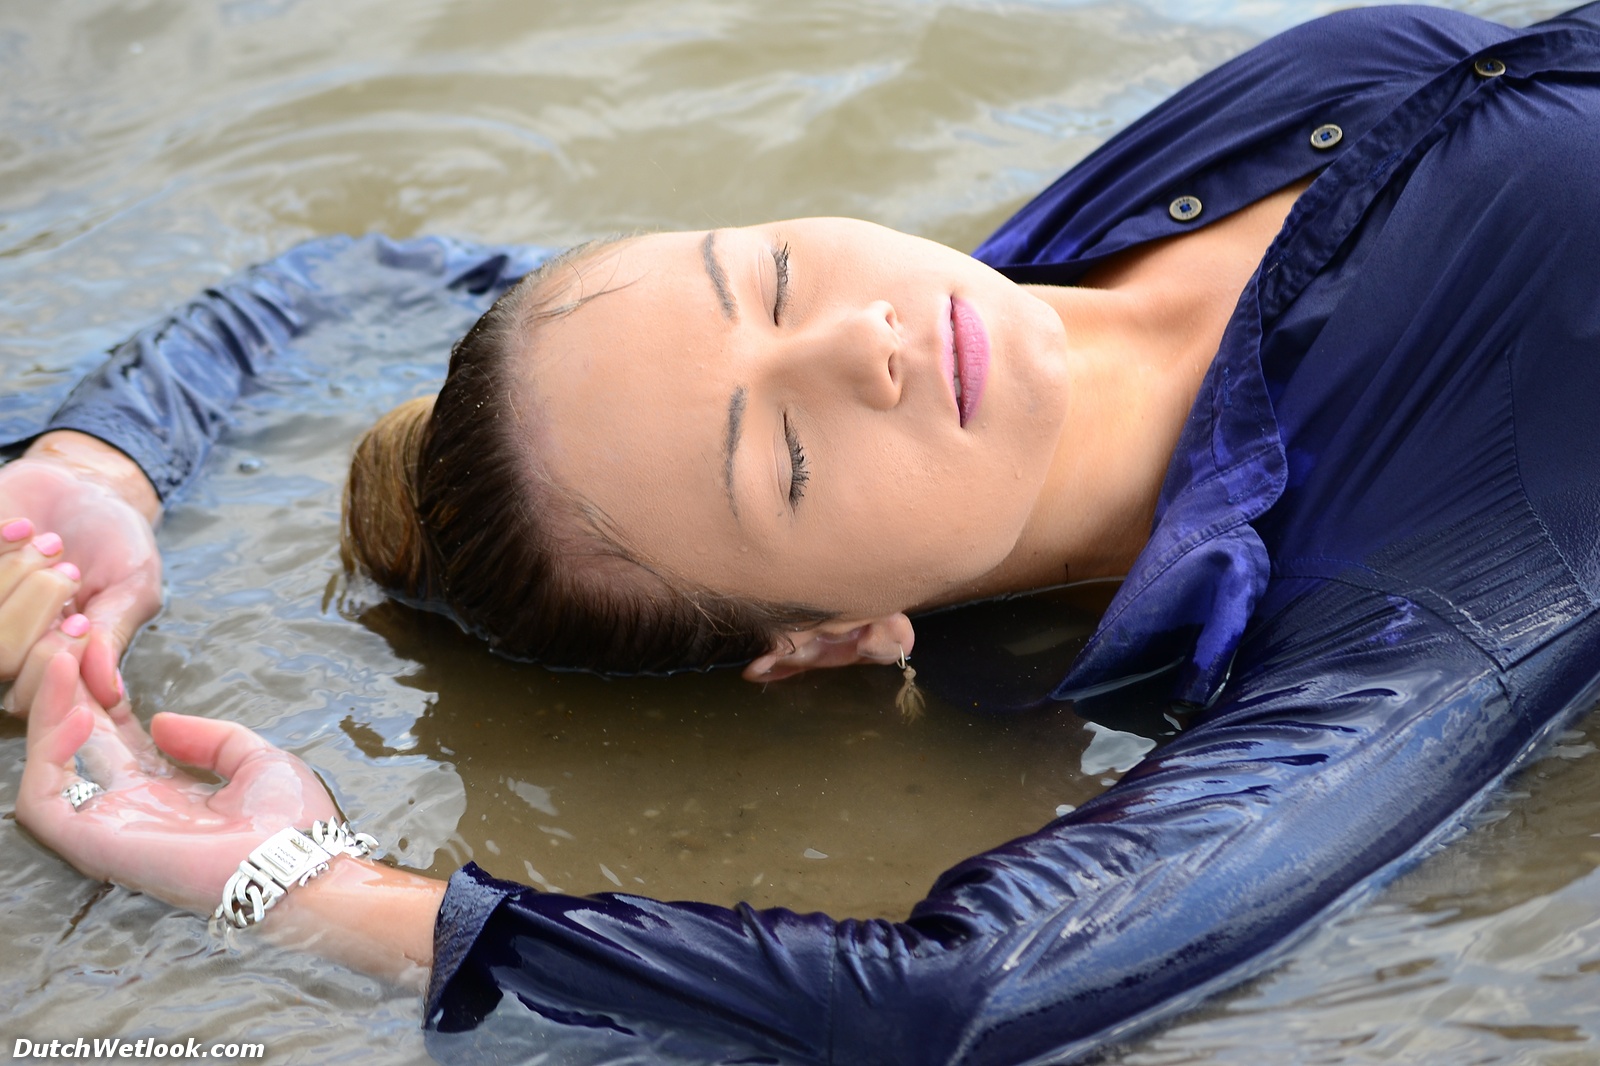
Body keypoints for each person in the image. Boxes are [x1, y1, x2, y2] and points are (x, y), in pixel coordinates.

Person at [9, 3, 1600, 1063]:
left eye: (764, 277)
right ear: (829, 638)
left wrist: (97, 462)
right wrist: (308, 888)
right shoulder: (1405, 606)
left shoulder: (1046, 253)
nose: (861, 345)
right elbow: (965, 993)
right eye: (780, 458)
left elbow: (347, 275)